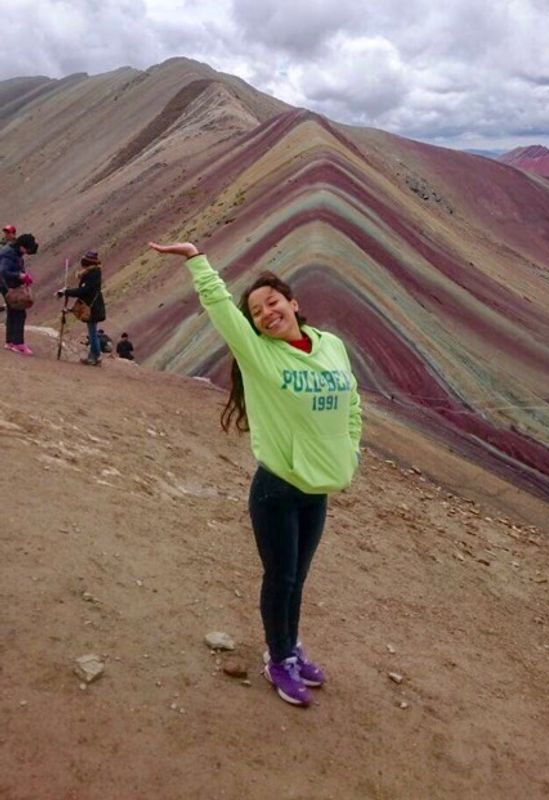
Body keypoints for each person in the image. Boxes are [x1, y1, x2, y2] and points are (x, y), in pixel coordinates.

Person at [150, 240, 362, 709]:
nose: (267, 313)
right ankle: (279, 658)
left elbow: (352, 405)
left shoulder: (333, 348)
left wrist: (350, 452)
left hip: (319, 489)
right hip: (277, 490)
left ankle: (290, 645)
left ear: (293, 304)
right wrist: (196, 259)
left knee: (298, 578)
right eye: (257, 311)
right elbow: (221, 309)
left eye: (273, 302)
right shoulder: (260, 356)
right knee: (281, 577)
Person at [57, 250, 106, 366]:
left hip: (92, 307)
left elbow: (84, 291)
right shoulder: (93, 273)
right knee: (92, 331)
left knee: (92, 332)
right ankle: (93, 356)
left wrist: (67, 292)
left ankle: (96, 356)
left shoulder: (92, 275)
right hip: (93, 305)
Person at [0, 232, 39, 355]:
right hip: (8, 286)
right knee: (19, 313)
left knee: (13, 311)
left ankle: (10, 341)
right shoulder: (9, 254)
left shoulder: (14, 251)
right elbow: (3, 271)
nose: (26, 252)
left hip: (9, 284)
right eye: (27, 249)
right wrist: (20, 275)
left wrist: (24, 276)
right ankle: (18, 343)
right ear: (22, 246)